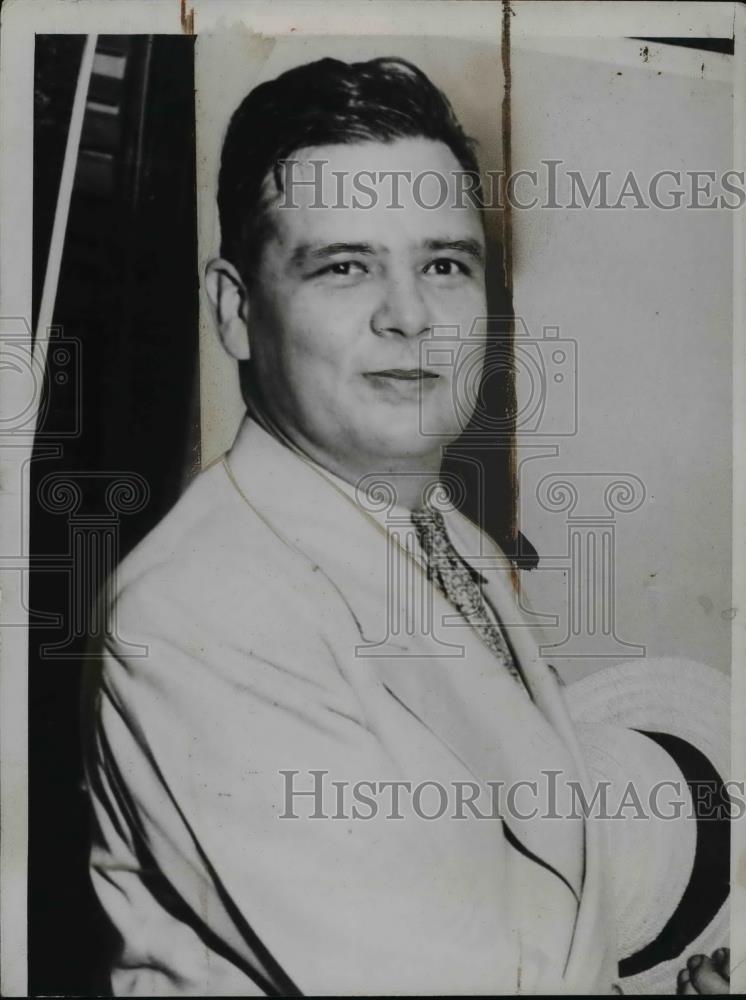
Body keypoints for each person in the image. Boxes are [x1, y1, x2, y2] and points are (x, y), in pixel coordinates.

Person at [84, 56, 730, 995]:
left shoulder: (445, 538)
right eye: (345, 267)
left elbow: (533, 906)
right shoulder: (199, 611)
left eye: (444, 264)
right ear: (236, 311)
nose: (411, 316)